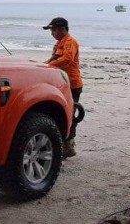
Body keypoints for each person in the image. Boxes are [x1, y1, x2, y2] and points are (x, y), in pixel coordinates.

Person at [43, 17, 83, 158]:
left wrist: (48, 66)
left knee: (70, 115)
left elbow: (67, 59)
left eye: (53, 30)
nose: (52, 33)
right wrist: (43, 65)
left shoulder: (70, 42)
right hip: (62, 83)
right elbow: (54, 59)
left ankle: (68, 146)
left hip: (72, 84)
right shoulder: (60, 43)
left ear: (61, 29)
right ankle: (64, 145)